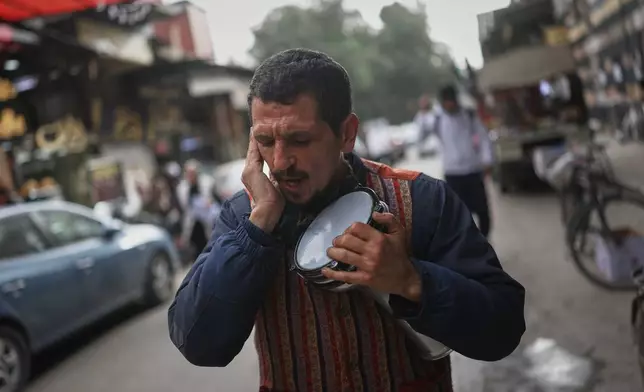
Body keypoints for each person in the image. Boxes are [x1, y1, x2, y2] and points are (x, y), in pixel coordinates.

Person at [168, 49, 525, 391]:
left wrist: (412, 281)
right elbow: (201, 346)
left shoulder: (421, 199)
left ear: (347, 133)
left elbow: (503, 330)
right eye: (264, 140)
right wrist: (257, 227)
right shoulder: (243, 216)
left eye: (299, 139)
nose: (279, 163)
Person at [430, 85, 495, 238]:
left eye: (452, 101)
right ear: (443, 103)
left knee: (482, 209)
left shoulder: (469, 115)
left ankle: (485, 238)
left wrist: (487, 160)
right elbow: (421, 133)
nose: (450, 105)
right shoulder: (437, 119)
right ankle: (468, 242)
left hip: (473, 169)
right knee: (459, 211)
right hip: (453, 173)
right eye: (447, 102)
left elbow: (484, 138)